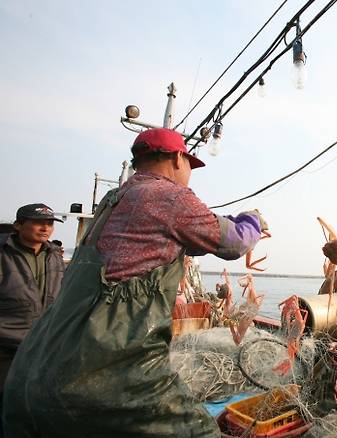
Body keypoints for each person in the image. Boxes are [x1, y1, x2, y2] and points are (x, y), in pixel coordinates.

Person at [3, 128, 267, 437]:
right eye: (190, 167)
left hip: (34, 369)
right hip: (103, 372)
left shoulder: (113, 199)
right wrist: (253, 221)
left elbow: (183, 235)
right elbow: (234, 243)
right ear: (179, 158)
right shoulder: (169, 195)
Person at [0, 204, 65, 437]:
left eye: (49, 224)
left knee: (33, 409)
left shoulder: (54, 257)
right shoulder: (3, 254)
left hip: (41, 346)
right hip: (6, 347)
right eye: (38, 222)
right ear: (18, 225)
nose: (45, 228)